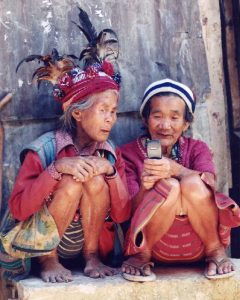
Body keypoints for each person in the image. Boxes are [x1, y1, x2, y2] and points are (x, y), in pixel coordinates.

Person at [5, 54, 130, 283]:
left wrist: (110, 173)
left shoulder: (110, 152)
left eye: (113, 111)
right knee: (71, 181)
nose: (110, 119)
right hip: (44, 242)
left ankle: (91, 257)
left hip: (88, 242)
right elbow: (19, 210)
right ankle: (48, 259)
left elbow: (123, 215)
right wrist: (56, 169)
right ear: (77, 113)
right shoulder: (43, 149)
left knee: (95, 178)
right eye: (103, 110)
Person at [120, 78, 240, 281]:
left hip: (198, 244)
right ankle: (141, 255)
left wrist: (176, 169)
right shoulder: (128, 154)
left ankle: (215, 250)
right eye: (157, 116)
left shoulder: (197, 149)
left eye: (174, 118)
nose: (165, 125)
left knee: (192, 182)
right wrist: (145, 188)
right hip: (152, 247)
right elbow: (126, 212)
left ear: (185, 124)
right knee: (169, 187)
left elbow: (209, 185)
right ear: (145, 119)